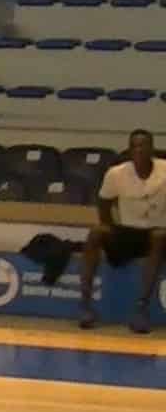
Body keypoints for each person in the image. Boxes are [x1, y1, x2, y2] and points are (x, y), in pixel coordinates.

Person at [78, 129, 166, 332]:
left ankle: (141, 309)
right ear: (129, 150)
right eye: (134, 146)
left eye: (143, 145)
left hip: (158, 234)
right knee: (96, 232)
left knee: (159, 235)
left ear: (152, 149)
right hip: (127, 232)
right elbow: (104, 205)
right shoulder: (116, 173)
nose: (139, 150)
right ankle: (85, 305)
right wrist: (111, 229)